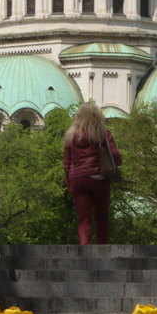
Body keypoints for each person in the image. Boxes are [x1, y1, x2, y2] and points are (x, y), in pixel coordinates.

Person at [63, 102, 122, 245]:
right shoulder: (103, 134)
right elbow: (117, 157)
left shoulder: (71, 136)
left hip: (77, 181)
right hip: (99, 180)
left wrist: (69, 180)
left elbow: (67, 162)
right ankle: (102, 249)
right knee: (101, 217)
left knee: (84, 220)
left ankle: (85, 250)